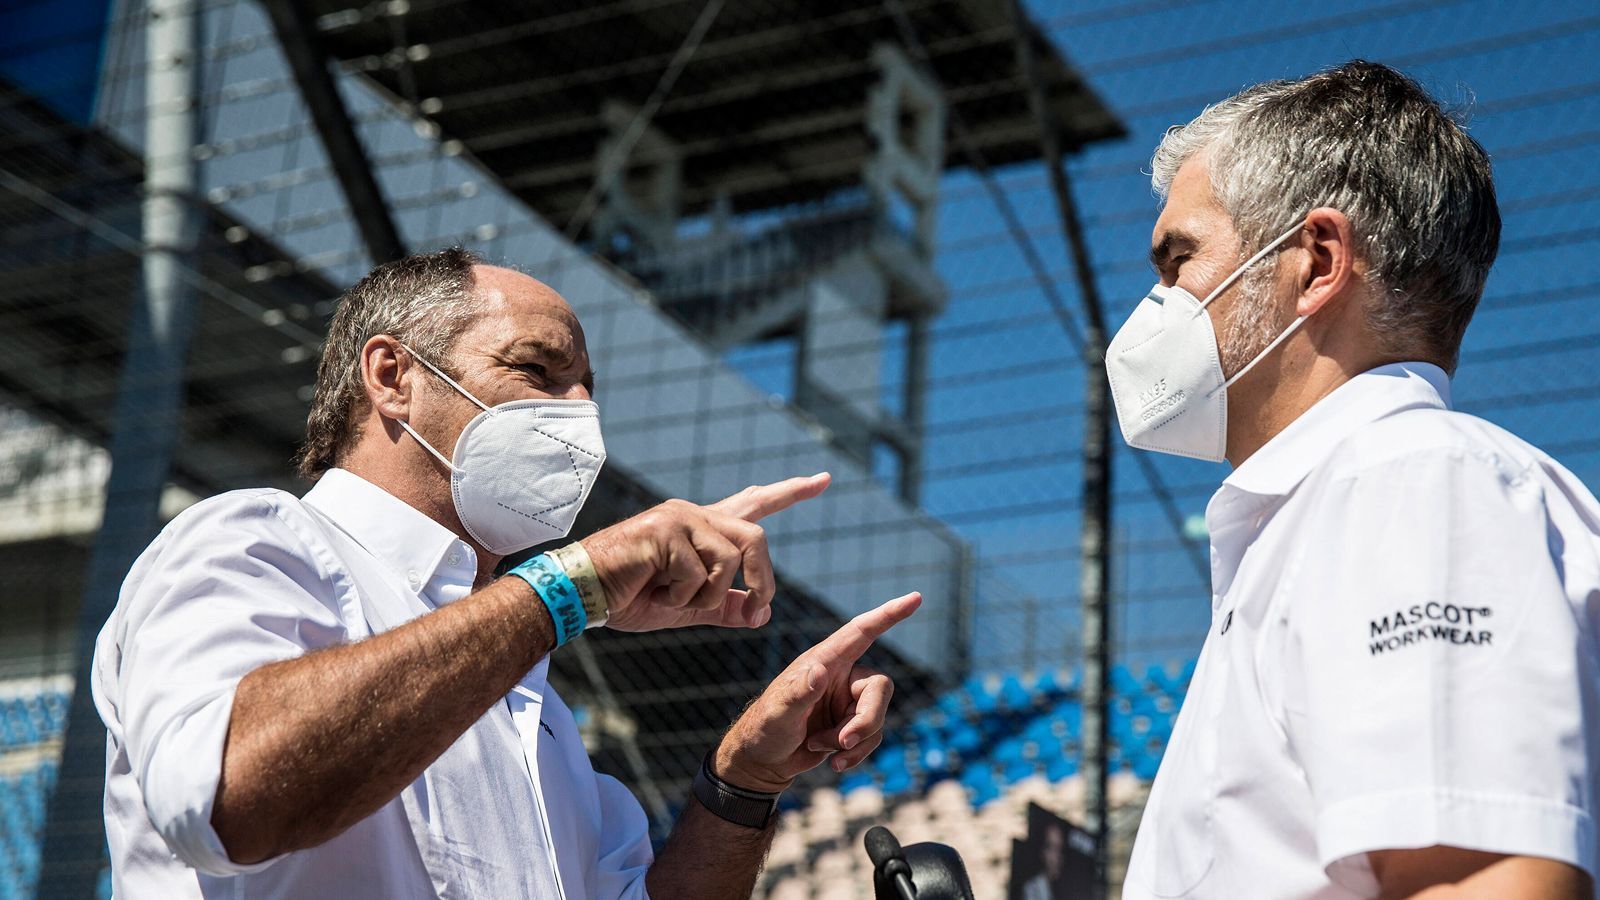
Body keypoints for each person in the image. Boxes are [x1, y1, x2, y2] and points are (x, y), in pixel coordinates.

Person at [92, 248, 921, 899]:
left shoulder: (539, 703)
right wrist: (571, 586)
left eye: (587, 393)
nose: (577, 418)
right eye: (536, 372)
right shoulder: (254, 541)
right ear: (394, 378)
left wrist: (744, 780)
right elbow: (227, 798)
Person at [1108, 61, 1600, 897]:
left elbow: (1480, 881)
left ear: (1317, 260)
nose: (1155, 301)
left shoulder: (1411, 486)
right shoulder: (1331, 513)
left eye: (1177, 259)